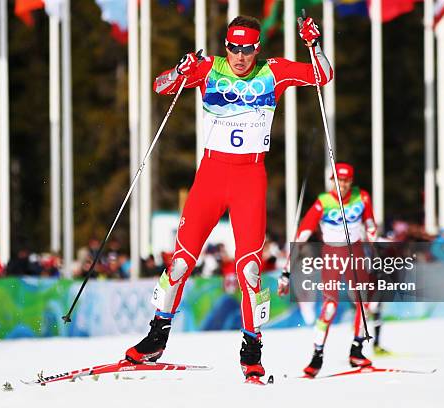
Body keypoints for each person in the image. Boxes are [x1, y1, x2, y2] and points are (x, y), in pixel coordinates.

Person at [125, 15, 332, 381]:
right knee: (178, 264)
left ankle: (252, 350)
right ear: (225, 46)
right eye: (233, 48)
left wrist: (313, 44)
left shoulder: (274, 71)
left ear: (257, 48)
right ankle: (156, 338)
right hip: (210, 176)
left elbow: (322, 76)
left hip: (249, 178)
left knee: (250, 269)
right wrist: (179, 70)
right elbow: (162, 87)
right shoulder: (209, 68)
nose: (239, 56)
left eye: (247, 48)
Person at [278, 163, 379, 377]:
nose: (342, 185)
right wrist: (286, 271)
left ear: (351, 181)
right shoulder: (322, 203)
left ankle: (357, 350)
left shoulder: (362, 197)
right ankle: (317, 356)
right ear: (333, 181)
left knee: (363, 303)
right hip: (333, 254)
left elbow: (370, 224)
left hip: (356, 252)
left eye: (346, 181)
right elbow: (302, 236)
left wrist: (374, 242)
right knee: (330, 306)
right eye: (339, 181)